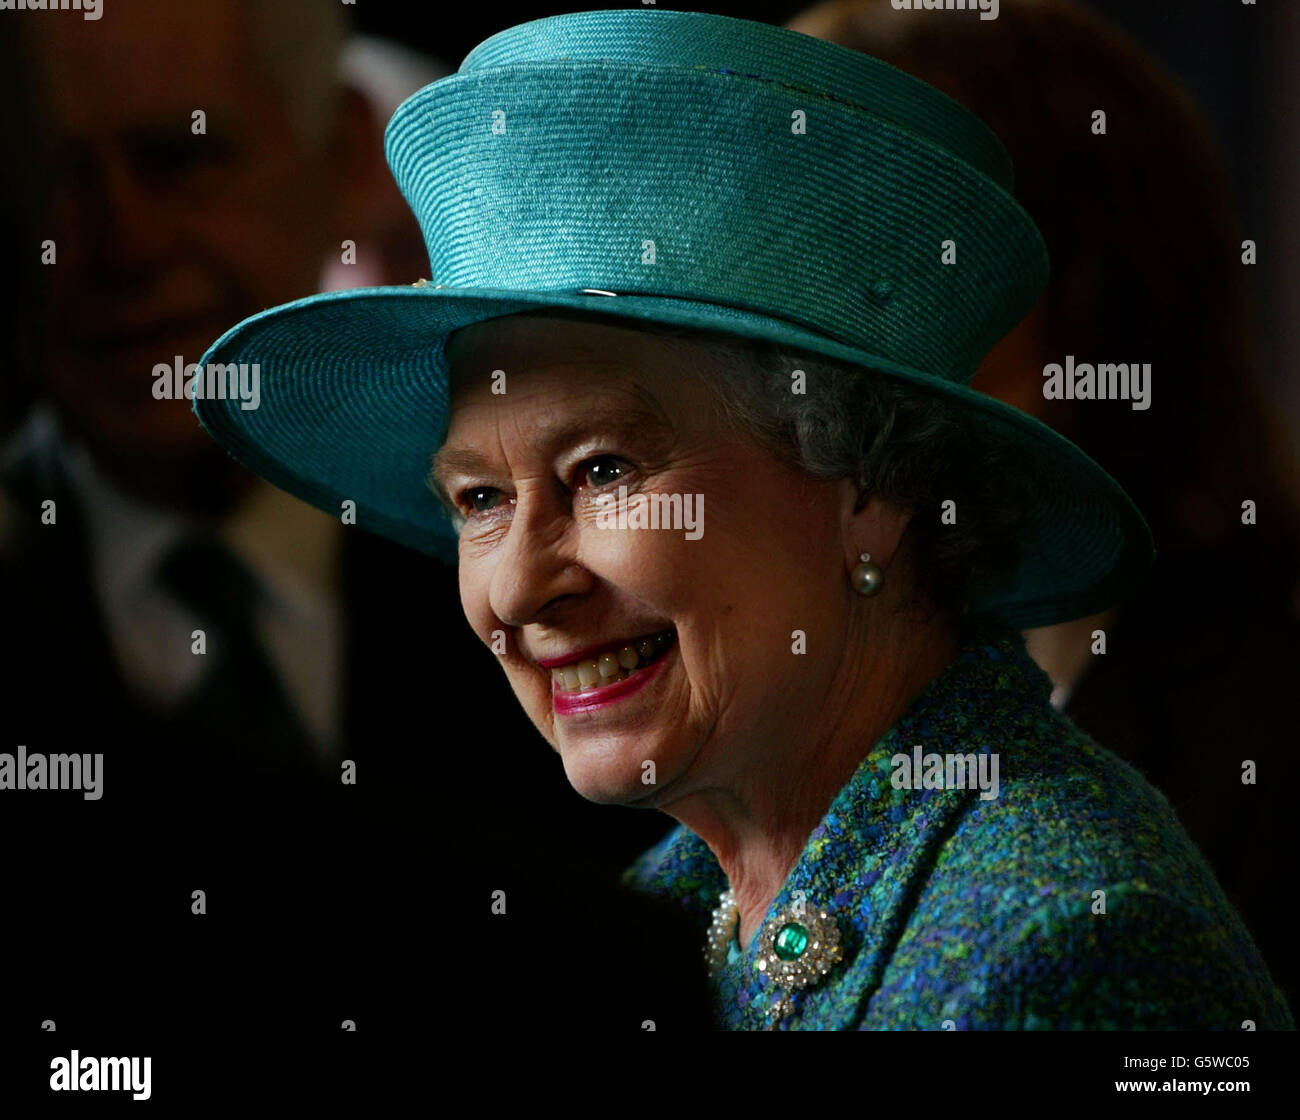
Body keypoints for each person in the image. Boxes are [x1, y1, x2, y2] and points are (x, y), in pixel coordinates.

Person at [190, 8, 1292, 1029]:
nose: (516, 589)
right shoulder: (665, 902)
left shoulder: (1072, 945)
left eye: (604, 468)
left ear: (872, 486)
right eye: (479, 499)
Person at [1, 0, 680, 1031]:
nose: (121, 244)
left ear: (345, 155)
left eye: (181, 159)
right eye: (54, 177)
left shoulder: (565, 584)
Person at [786, 0, 1300, 1010]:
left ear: (1081, 281)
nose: (804, 291)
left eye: (870, 225)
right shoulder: (790, 691)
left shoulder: (1266, 742)